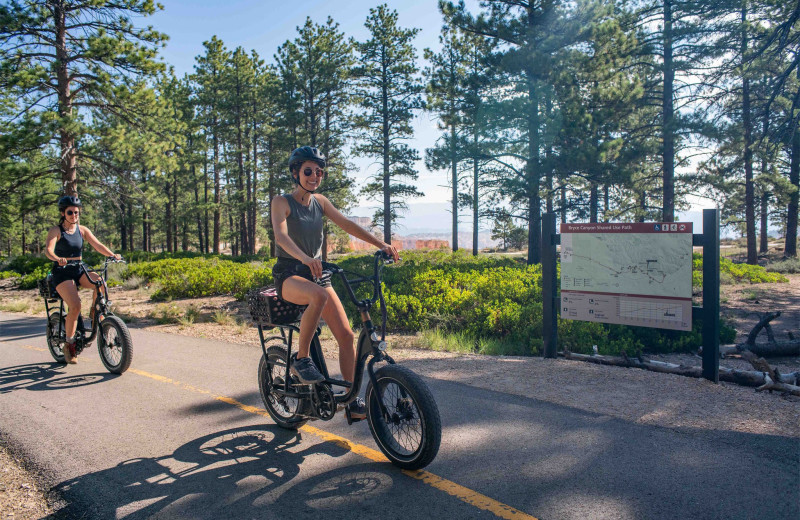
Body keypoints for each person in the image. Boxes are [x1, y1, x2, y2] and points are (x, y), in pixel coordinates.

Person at [271, 146, 399, 419]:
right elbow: (281, 238)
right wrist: (306, 258)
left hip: (317, 274)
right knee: (319, 296)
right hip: (289, 274)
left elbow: (348, 224)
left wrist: (381, 243)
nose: (314, 176)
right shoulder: (281, 202)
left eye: (319, 172)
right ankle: (300, 358)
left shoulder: (321, 201)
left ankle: (351, 402)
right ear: (296, 173)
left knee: (347, 335)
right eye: (308, 171)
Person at [45, 195, 121, 364]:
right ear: (63, 213)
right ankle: (69, 344)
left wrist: (112, 255)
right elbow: (48, 250)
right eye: (70, 212)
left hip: (79, 268)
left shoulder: (82, 230)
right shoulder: (56, 231)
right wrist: (57, 258)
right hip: (62, 272)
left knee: (100, 282)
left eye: (76, 212)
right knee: (75, 305)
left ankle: (95, 312)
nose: (74, 215)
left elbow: (98, 245)